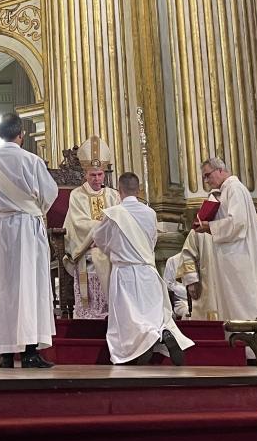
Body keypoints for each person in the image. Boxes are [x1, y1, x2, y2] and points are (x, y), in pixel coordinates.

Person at [0, 113, 57, 369]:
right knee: (28, 287)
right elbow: (49, 194)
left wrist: (0, 207)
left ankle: (5, 354)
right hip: (26, 229)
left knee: (2, 289)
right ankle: (29, 352)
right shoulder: (32, 160)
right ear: (21, 134)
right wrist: (30, 207)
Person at [187, 157, 257, 358]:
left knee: (245, 302)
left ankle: (252, 351)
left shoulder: (234, 189)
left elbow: (238, 223)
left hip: (239, 258)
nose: (206, 180)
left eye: (208, 175)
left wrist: (209, 226)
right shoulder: (223, 192)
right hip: (231, 258)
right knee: (235, 303)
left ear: (220, 170)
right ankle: (243, 349)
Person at [88, 173, 191, 365]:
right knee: (151, 314)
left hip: (125, 272)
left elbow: (100, 239)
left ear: (119, 191)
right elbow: (152, 241)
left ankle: (143, 344)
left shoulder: (114, 213)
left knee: (129, 318)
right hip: (148, 272)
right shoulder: (150, 213)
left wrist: (114, 248)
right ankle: (162, 332)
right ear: (138, 190)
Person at [62, 138, 113, 320]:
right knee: (98, 256)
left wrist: (104, 238)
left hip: (110, 246)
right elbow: (79, 223)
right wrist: (98, 235)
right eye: (93, 175)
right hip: (86, 247)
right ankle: (93, 311)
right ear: (85, 174)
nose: (97, 179)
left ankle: (115, 308)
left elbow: (120, 222)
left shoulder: (113, 195)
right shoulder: (77, 195)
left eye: (100, 174)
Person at [162, 254, 190, 319]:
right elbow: (168, 285)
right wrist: (188, 292)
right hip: (180, 301)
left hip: (199, 300)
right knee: (188, 312)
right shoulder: (172, 260)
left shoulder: (201, 259)